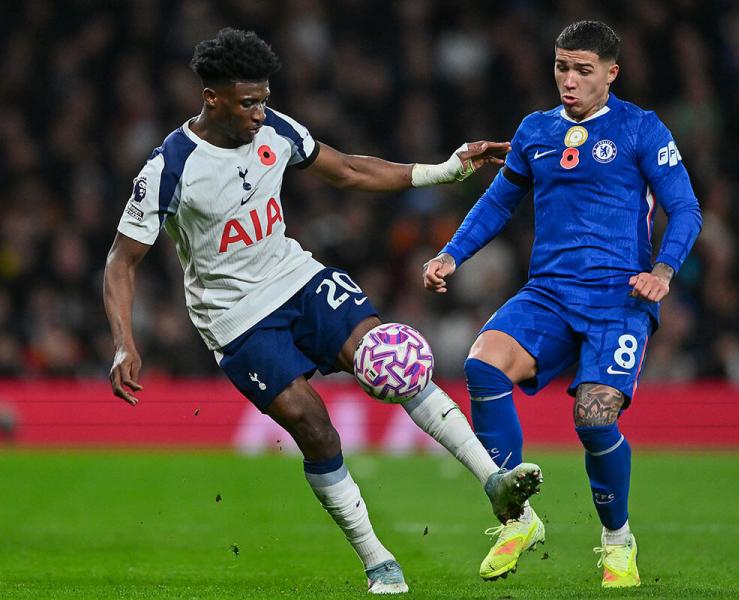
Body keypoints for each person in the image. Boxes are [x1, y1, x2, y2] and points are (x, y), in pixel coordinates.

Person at [103, 28, 542, 595]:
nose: (261, 113)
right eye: (247, 102)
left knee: (394, 359)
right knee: (314, 427)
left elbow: (350, 170)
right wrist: (123, 341)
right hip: (236, 318)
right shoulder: (170, 167)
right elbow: (120, 262)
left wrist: (447, 169)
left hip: (297, 277)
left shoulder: (276, 129)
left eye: (264, 98)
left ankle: (496, 483)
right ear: (211, 97)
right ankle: (377, 559)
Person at [423, 20, 702, 587]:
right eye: (561, 67)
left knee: (593, 420)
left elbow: (686, 209)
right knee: (482, 362)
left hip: (619, 297)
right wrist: (452, 255)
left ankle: (618, 542)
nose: (568, 80)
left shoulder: (641, 129)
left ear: (611, 74)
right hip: (548, 292)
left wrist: (662, 272)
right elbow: (498, 203)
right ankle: (518, 519)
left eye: (582, 70)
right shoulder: (535, 130)